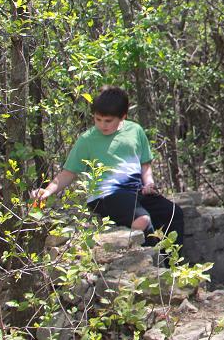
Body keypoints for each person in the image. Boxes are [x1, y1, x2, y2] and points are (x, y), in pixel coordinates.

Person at [33, 86, 184, 257]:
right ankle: (157, 268)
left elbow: (145, 165)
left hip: (137, 191)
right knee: (143, 220)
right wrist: (47, 191)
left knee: (173, 213)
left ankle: (174, 266)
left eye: (108, 121)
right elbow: (69, 173)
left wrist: (149, 183)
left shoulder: (135, 131)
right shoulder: (87, 139)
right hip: (105, 195)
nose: (102, 125)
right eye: (98, 119)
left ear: (123, 117)